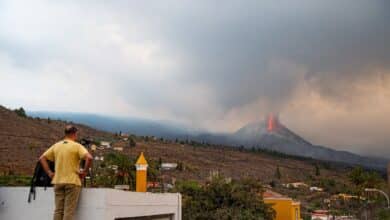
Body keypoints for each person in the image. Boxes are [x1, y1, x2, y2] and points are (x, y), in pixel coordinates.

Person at [39, 125, 93, 220]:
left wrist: (49, 173)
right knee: (68, 211)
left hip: (58, 181)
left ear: (65, 134)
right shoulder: (77, 146)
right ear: (75, 134)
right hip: (72, 182)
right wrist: (84, 172)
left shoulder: (56, 145)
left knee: (58, 210)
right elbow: (89, 158)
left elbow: (42, 158)